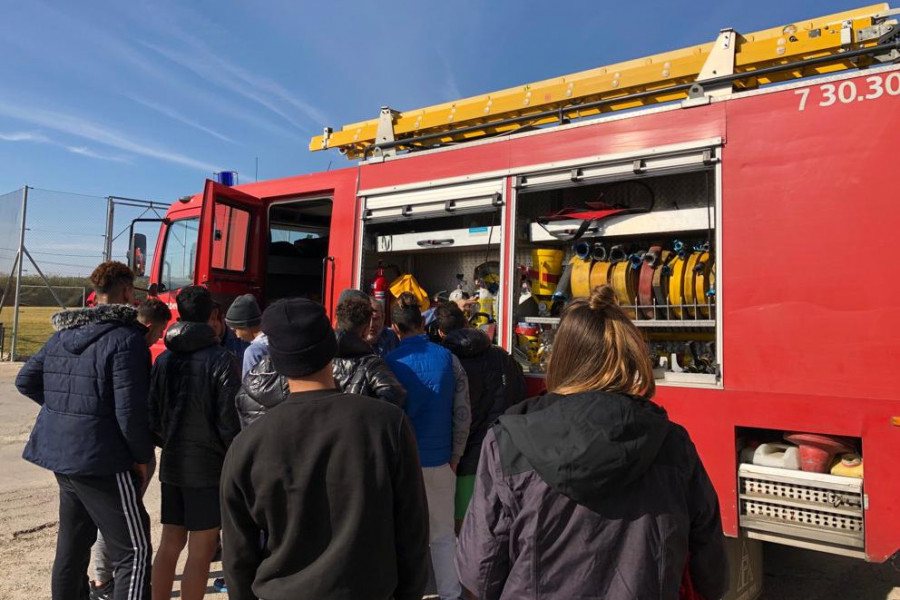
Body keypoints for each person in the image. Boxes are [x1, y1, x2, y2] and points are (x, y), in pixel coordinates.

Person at [457, 285, 729, 600]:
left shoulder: (507, 442)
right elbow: (709, 569)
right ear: (630, 356)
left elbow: (480, 572)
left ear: (561, 358)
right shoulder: (673, 443)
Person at [220, 298, 430, 600]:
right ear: (331, 348)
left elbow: (238, 555)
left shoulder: (247, 444)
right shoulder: (386, 424)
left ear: (275, 361)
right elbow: (412, 532)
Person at [15, 261, 153, 600]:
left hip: (62, 456)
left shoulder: (62, 334)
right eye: (133, 292)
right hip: (104, 460)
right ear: (124, 292)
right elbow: (130, 412)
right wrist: (142, 458)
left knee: (73, 546)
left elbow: (26, 379)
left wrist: (67, 413)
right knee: (134, 553)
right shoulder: (126, 339)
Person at [148, 285, 241, 600]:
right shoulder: (223, 360)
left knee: (170, 543)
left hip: (173, 463)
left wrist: (170, 441)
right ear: (213, 316)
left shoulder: (164, 360)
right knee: (202, 548)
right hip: (208, 468)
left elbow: (154, 415)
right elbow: (230, 421)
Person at [386, 293, 470, 600]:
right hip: (441, 461)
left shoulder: (388, 364)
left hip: (404, 465)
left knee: (404, 536)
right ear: (424, 322)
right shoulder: (449, 359)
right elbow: (463, 412)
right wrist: (455, 457)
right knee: (443, 536)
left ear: (395, 328)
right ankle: (450, 594)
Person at [88, 297, 172, 599]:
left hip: (97, 445)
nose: (159, 338)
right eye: (159, 332)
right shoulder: (132, 347)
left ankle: (100, 580)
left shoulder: (103, 339)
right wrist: (141, 456)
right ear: (149, 325)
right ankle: (102, 582)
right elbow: (130, 410)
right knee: (122, 525)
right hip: (120, 450)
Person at [433, 302, 526, 530]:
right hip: (503, 454)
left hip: (462, 462)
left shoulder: (445, 362)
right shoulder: (502, 357)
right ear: (466, 323)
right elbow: (519, 397)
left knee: (461, 531)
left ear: (440, 332)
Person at [333, 296, 406, 406]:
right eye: (369, 320)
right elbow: (396, 395)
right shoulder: (371, 364)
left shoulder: (322, 357)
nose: (372, 325)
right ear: (365, 327)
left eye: (376, 318)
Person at [225, 293, 267, 376]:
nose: (237, 336)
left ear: (245, 325)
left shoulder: (253, 352)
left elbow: (249, 387)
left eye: (235, 330)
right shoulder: (277, 342)